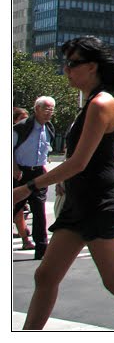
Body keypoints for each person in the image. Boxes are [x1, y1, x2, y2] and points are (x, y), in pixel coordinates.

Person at [12, 36, 114, 330]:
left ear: (91, 67)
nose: (67, 70)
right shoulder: (90, 103)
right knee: (46, 276)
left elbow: (78, 163)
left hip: (99, 203)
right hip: (80, 203)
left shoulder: (101, 103)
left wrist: (29, 187)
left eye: (72, 64)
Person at [13, 96, 57, 260]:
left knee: (39, 212)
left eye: (51, 109)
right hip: (20, 173)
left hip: (38, 173)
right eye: (46, 109)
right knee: (14, 208)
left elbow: (44, 152)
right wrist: (14, 167)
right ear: (36, 109)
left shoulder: (49, 128)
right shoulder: (21, 128)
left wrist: (44, 168)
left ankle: (41, 248)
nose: (49, 113)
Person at [13, 107, 35, 250]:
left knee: (18, 210)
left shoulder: (26, 133)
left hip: (20, 175)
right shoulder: (14, 133)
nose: (25, 122)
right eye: (22, 119)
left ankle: (26, 240)